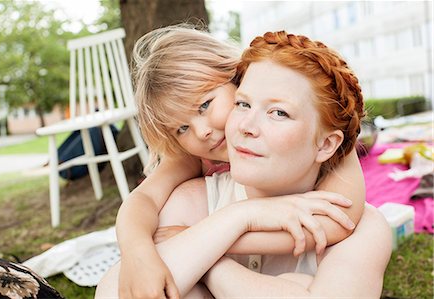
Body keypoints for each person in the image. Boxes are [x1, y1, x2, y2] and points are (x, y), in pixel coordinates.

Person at [96, 29, 391, 298]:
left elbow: (339, 220)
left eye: (205, 105)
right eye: (181, 129)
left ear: (236, 76)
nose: (202, 132)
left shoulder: (346, 190)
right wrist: (139, 251)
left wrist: (210, 259)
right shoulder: (193, 190)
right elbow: (142, 203)